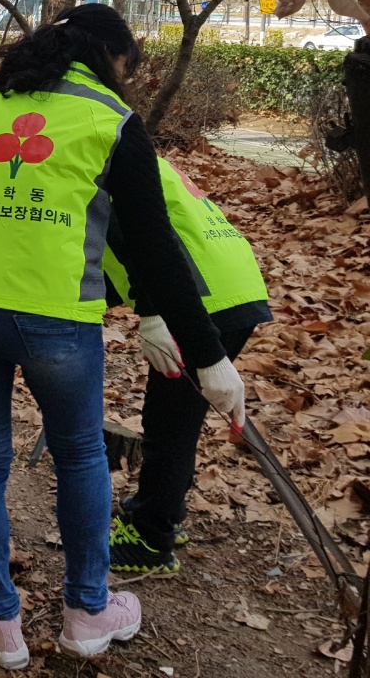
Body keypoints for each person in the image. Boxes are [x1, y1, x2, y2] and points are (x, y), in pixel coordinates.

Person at [0, 3, 247, 670]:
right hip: (56, 317)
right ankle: (87, 613)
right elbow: (156, 248)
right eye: (128, 65)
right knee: (81, 457)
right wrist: (210, 358)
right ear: (108, 58)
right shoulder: (110, 120)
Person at [102, 156, 272, 575]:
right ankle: (163, 510)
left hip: (196, 295)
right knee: (180, 418)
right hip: (233, 279)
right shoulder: (131, 149)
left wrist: (152, 309)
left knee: (168, 426)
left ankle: (150, 538)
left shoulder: (92, 159)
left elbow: (136, 239)